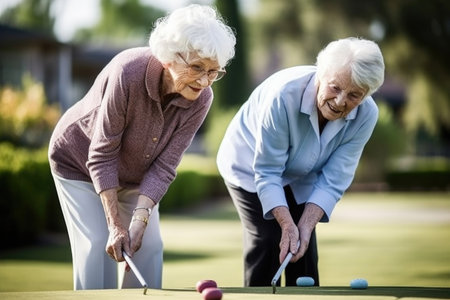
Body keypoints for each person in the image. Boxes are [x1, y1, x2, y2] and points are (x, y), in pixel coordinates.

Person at [48, 4, 235, 290]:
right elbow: (101, 154)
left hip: (135, 172)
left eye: (213, 72)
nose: (204, 80)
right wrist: (115, 225)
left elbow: (165, 165)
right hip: (78, 161)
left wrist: (140, 218)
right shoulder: (127, 72)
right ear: (169, 58)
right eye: (197, 67)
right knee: (100, 243)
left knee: (148, 244)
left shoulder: (202, 97)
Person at [216, 37, 384, 287]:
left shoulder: (366, 114)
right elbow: (268, 170)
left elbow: (334, 179)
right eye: (335, 88)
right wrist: (286, 223)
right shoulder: (282, 96)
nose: (340, 102)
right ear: (321, 75)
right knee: (269, 240)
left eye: (354, 95)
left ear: (366, 94)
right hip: (249, 166)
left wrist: (304, 225)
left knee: (302, 247)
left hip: (303, 175)